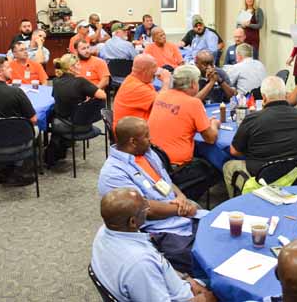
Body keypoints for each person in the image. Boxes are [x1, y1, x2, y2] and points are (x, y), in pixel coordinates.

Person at [99, 117, 200, 273]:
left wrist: (180, 196)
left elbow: (166, 180)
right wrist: (181, 210)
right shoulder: (113, 173)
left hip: (182, 214)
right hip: (162, 230)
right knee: (201, 257)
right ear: (133, 141)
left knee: (219, 233)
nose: (150, 139)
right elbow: (145, 209)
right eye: (146, 136)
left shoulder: (147, 153)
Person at [91, 188, 217, 302]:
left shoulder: (105, 231)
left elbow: (159, 266)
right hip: (184, 296)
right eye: (144, 208)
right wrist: (202, 300)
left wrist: (186, 279)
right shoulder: (140, 263)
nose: (148, 207)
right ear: (133, 222)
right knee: (229, 287)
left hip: (180, 284)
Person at [223, 76, 297, 197]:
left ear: (264, 98)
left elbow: (234, 151)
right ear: (285, 94)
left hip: (262, 176)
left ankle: (238, 205)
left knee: (228, 166)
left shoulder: (252, 119)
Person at [0, 57, 38, 185]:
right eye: (8, 67)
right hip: (18, 140)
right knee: (35, 129)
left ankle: (2, 167)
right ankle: (20, 165)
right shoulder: (16, 92)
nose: (11, 69)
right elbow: (33, 119)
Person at [148, 65, 220, 166]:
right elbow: (211, 139)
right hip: (175, 165)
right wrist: (214, 124)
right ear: (193, 84)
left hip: (153, 158)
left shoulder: (161, 95)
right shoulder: (193, 103)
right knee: (213, 167)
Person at [46, 54, 107, 166]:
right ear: (71, 68)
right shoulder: (81, 82)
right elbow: (103, 96)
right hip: (81, 124)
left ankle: (54, 151)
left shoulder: (55, 81)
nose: (80, 66)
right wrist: (89, 95)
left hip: (63, 121)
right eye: (77, 64)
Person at [112, 54, 171, 129]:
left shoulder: (136, 80)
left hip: (134, 127)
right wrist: (166, 81)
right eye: (154, 68)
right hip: (131, 134)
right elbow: (162, 103)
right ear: (145, 70)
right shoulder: (136, 87)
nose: (156, 72)